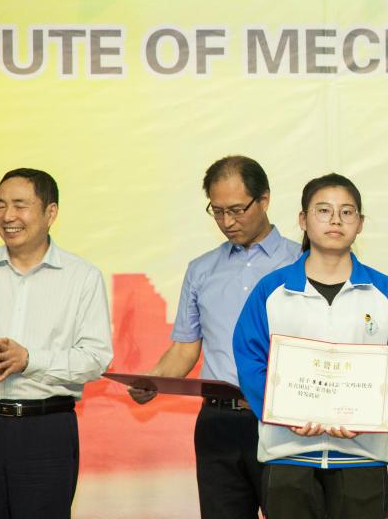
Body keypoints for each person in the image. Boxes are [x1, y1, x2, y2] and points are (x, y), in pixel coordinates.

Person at [233, 173, 388, 519]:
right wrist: (282, 413)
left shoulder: (385, 293)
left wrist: (370, 415)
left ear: (360, 224)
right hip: (287, 454)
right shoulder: (272, 291)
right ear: (303, 220)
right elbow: (250, 359)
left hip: (362, 454)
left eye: (347, 212)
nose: (336, 220)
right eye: (323, 210)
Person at [128, 156, 299, 519]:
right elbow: (185, 349)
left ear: (264, 199)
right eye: (217, 211)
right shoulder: (202, 269)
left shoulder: (301, 262)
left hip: (283, 419)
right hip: (218, 422)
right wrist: (153, 380)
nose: (227, 222)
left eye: (237, 210)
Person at [0, 168, 113, 518]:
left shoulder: (82, 277)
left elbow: (95, 359)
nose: (7, 216)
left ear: (50, 212)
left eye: (20, 205)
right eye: (0, 205)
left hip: (46, 430)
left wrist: (30, 360)